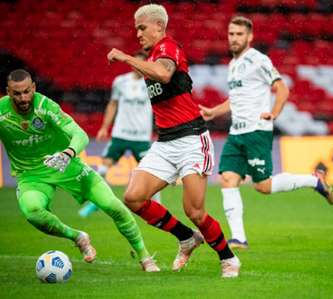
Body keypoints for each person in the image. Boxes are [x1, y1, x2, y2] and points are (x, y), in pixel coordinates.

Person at [106, 4, 240, 278]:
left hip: (192, 138)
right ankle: (186, 238)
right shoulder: (153, 55)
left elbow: (165, 74)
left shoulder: (169, 48)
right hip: (165, 142)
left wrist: (125, 58)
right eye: (136, 30)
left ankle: (228, 258)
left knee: (195, 211)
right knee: (133, 197)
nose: (138, 34)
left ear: (159, 26)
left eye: (142, 28)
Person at [0, 69, 159, 272]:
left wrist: (67, 153)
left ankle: (145, 257)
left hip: (67, 166)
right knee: (32, 212)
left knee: (114, 207)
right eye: (16, 93)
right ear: (8, 92)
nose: (23, 98)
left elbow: (80, 135)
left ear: (33, 88)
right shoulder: (1, 112)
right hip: (31, 175)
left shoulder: (46, 107)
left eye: (26, 92)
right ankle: (78, 237)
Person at [199, 16, 333, 250]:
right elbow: (236, 98)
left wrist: (273, 113)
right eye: (231, 34)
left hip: (256, 131)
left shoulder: (258, 60)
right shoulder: (233, 65)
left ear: (249, 37)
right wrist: (214, 111)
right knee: (227, 179)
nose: (234, 38)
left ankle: (314, 181)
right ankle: (238, 238)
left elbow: (282, 87)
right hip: (236, 133)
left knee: (263, 186)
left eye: (239, 34)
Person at [78, 50, 160, 218]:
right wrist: (104, 127)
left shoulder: (152, 83)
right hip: (120, 134)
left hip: (141, 137)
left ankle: (158, 206)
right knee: (102, 168)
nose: (135, 67)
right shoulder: (120, 82)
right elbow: (113, 105)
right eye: (133, 63)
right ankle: (96, 203)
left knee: (153, 172)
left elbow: (160, 107)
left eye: (139, 64)